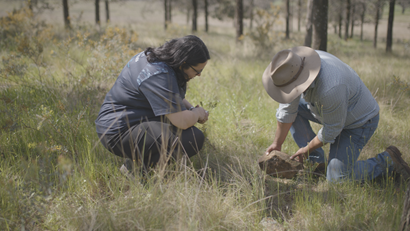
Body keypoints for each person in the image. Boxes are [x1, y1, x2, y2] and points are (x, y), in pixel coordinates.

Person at [262, 46, 410, 182]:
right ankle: (317, 163)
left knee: (337, 178)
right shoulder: (294, 68)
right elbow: (287, 111)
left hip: (358, 123)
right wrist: (277, 143)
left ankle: (388, 160)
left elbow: (332, 129)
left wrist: (306, 149)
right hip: (328, 112)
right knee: (295, 111)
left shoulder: (331, 88)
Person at [95, 35, 210, 176]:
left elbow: (172, 97)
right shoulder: (158, 74)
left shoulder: (156, 59)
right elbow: (182, 121)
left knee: (184, 132)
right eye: (197, 71)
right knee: (192, 138)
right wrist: (197, 114)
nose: (198, 75)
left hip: (129, 123)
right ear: (183, 63)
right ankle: (136, 171)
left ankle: (136, 165)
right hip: (119, 132)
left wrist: (192, 109)